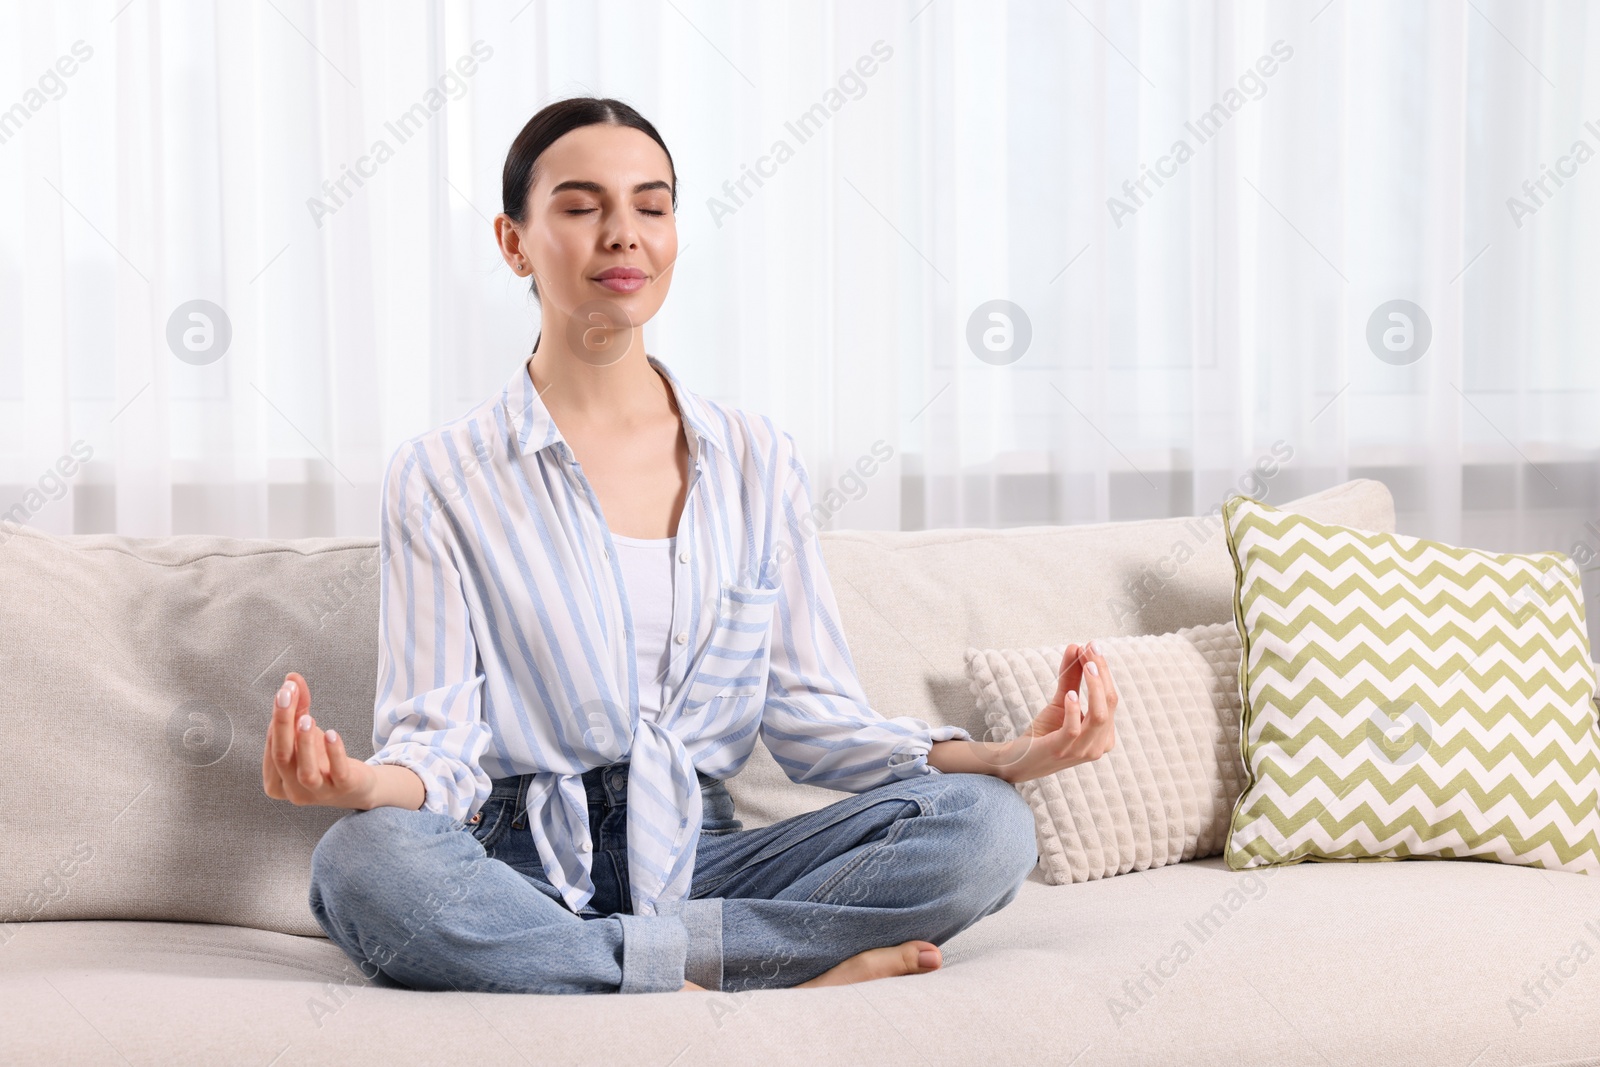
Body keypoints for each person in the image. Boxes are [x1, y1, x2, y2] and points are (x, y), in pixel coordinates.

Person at [263, 97, 1121, 995]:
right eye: (581, 205)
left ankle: (631, 968)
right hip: (516, 867)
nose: (623, 234)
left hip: (707, 861)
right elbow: (437, 748)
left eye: (652, 205)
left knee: (988, 827)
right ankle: (731, 970)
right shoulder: (441, 474)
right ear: (514, 242)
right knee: (363, 862)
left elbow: (811, 719)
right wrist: (360, 783)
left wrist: (1004, 756)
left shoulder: (756, 460)